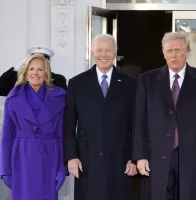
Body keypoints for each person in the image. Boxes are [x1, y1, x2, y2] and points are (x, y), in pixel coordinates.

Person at [132, 32, 196, 200]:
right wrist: (140, 156)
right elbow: (139, 121)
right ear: (164, 53)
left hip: (194, 156)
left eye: (178, 50)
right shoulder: (147, 80)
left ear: (188, 52)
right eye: (169, 50)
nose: (173, 55)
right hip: (156, 156)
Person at [63, 34, 137, 200]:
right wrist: (71, 157)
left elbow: (136, 124)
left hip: (120, 158)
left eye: (108, 50)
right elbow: (68, 124)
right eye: (99, 50)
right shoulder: (77, 83)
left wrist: (134, 157)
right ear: (92, 53)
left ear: (115, 52)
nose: (104, 55)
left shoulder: (130, 84)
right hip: (86, 158)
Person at [0, 53, 67, 200]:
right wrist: (5, 169)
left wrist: (63, 167)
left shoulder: (59, 97)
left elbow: (62, 134)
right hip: (21, 158)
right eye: (31, 69)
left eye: (40, 69)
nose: (35, 73)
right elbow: (6, 136)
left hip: (50, 157)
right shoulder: (13, 97)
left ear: (46, 73)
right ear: (25, 72)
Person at [0, 47, 67, 96]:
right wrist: (15, 69)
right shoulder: (22, 78)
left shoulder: (58, 79)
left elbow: (64, 101)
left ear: (48, 62)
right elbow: (1, 89)